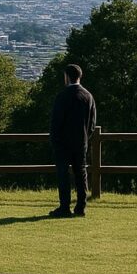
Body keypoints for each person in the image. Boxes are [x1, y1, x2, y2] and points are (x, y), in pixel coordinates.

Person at [49, 63, 95, 217]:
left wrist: (55, 140)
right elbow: (92, 123)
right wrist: (85, 137)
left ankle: (64, 207)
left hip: (63, 143)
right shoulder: (88, 96)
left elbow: (56, 122)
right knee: (81, 174)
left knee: (63, 174)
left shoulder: (62, 96)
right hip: (81, 141)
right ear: (79, 76)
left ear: (67, 77)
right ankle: (81, 207)